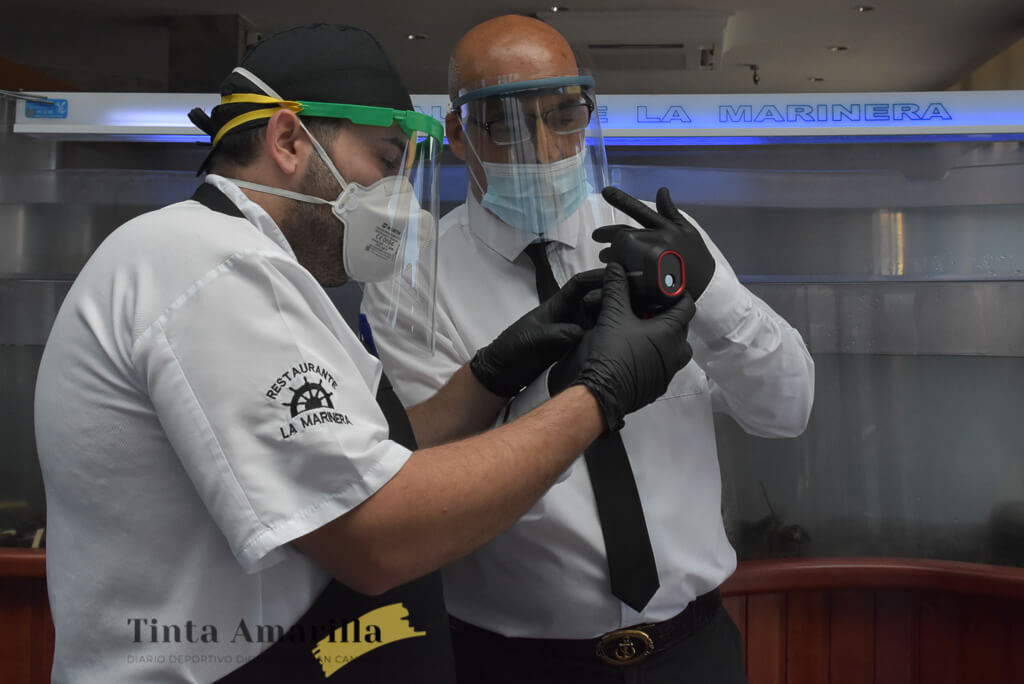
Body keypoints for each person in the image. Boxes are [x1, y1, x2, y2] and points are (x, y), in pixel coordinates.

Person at [32, 23, 697, 684]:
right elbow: (377, 536)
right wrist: (597, 397)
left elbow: (367, 461)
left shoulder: (243, 266)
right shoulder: (211, 268)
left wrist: (494, 373)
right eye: (385, 161)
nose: (397, 198)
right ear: (288, 140)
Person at [361, 14, 815, 683]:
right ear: (457, 134)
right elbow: (430, 489)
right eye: (508, 124)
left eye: (566, 116)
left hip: (693, 652)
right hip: (514, 664)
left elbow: (787, 410)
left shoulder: (662, 236)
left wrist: (712, 291)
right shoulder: (412, 281)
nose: (545, 148)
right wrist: (533, 390)